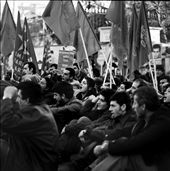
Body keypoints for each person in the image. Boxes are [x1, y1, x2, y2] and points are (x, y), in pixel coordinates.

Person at [94, 86, 170, 171]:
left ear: (143, 106)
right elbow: (127, 131)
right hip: (147, 161)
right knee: (121, 143)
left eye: (134, 103)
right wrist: (108, 139)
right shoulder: (144, 119)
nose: (133, 107)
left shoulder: (163, 122)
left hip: (158, 166)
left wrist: (108, 147)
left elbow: (139, 141)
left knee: (125, 155)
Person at [0, 81, 59, 171]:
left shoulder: (37, 114)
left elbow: (6, 122)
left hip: (35, 165)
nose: (16, 100)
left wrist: (7, 97)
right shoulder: (39, 108)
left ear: (27, 100)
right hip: (31, 158)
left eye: (18, 97)